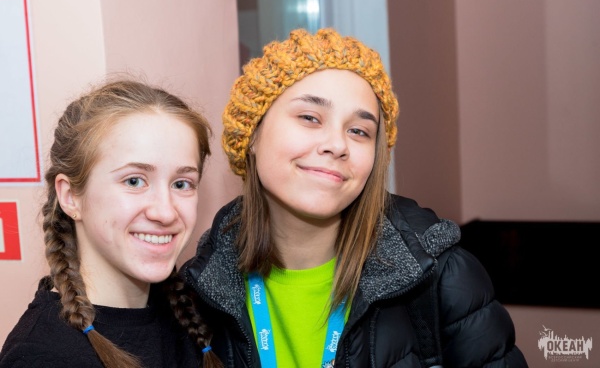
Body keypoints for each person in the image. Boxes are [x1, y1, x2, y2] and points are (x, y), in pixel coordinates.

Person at [182, 28, 528, 367]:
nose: (337, 144)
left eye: (359, 131)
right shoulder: (197, 294)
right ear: (252, 134)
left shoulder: (442, 277)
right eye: (310, 117)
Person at [0, 80, 222, 368]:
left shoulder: (193, 316)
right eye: (134, 181)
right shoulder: (40, 356)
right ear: (70, 196)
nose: (166, 212)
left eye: (181, 184)